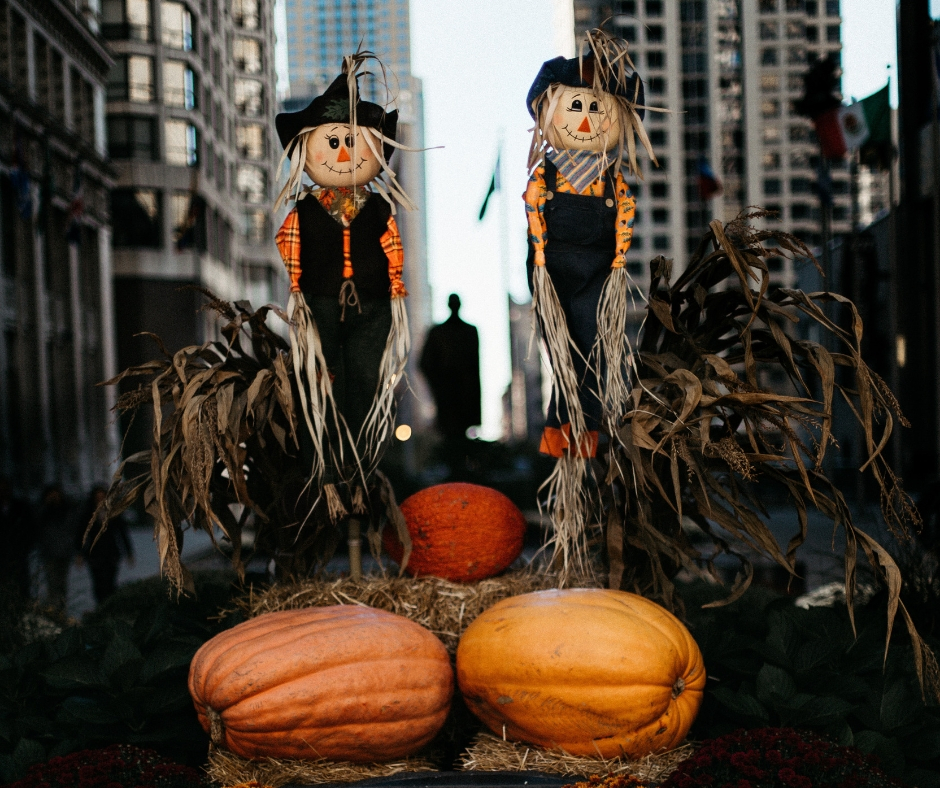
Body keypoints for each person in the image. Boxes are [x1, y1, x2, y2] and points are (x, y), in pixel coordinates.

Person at [420, 294, 482, 439]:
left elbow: (474, 368)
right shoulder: (438, 333)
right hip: (448, 394)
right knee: (451, 435)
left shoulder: (469, 331)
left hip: (463, 395)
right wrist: (438, 385)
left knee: (457, 436)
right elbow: (425, 363)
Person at [79, 486, 134, 605]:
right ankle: (101, 606)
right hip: (95, 554)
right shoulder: (88, 514)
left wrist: (129, 552)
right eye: (98, 497)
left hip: (111, 553)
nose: (100, 499)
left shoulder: (114, 512)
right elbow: (81, 534)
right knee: (98, 583)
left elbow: (122, 532)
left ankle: (109, 606)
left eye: (102, 497)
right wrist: (80, 553)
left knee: (110, 582)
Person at [36, 485, 79, 612]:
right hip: (49, 552)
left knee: (62, 582)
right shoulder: (44, 511)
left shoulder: (67, 510)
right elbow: (37, 525)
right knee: (52, 581)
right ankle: (54, 607)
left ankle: (60, 608)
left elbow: (73, 529)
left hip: (64, 552)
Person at [0, 477, 34, 600]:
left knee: (22, 586)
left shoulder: (21, 507)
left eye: (5, 488)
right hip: (3, 556)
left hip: (19, 555)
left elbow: (30, 528)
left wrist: (25, 547)